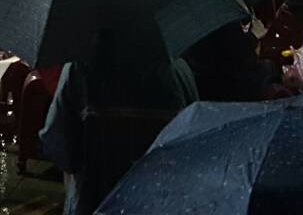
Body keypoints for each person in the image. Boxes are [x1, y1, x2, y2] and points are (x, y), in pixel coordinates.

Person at [40, 34, 200, 215]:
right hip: (162, 204)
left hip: (95, 204)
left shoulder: (79, 70)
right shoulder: (179, 72)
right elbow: (192, 146)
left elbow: (59, 148)